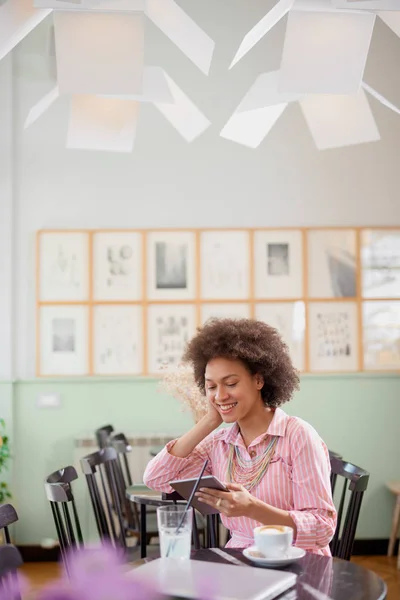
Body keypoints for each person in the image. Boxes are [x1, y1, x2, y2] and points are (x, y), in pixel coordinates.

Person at [143, 318, 337, 555]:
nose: (220, 395)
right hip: (240, 560)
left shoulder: (298, 436)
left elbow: (322, 528)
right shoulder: (219, 443)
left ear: (259, 380)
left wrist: (253, 508)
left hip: (298, 563)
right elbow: (156, 478)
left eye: (231, 383)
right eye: (211, 387)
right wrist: (210, 421)